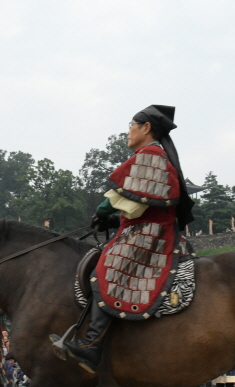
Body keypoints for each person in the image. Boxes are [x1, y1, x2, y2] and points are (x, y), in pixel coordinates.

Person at [54, 104, 194, 372]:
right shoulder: (153, 156)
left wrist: (102, 212)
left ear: (146, 127)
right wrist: (113, 220)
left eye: (131, 125)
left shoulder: (150, 155)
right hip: (146, 226)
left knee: (110, 265)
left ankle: (92, 343)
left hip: (151, 234)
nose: (128, 131)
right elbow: (142, 206)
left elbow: (116, 200)